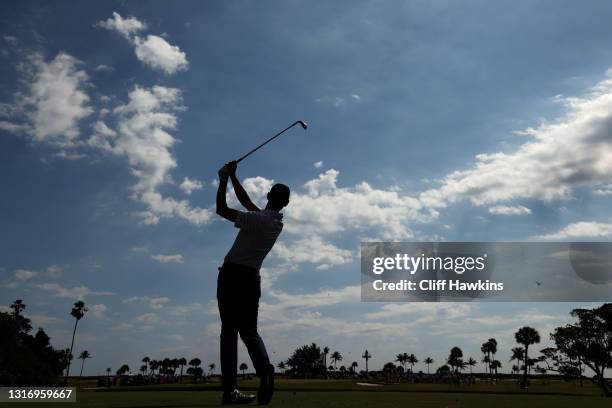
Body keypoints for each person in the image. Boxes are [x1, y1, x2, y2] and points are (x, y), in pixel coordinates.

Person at [215, 160, 290, 405]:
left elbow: (221, 209)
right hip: (251, 279)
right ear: (285, 203)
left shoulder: (259, 220)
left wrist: (223, 179)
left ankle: (230, 390)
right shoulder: (273, 223)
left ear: (268, 195)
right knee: (249, 331)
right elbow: (246, 202)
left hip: (231, 276)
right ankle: (265, 369)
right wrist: (234, 177)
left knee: (229, 332)